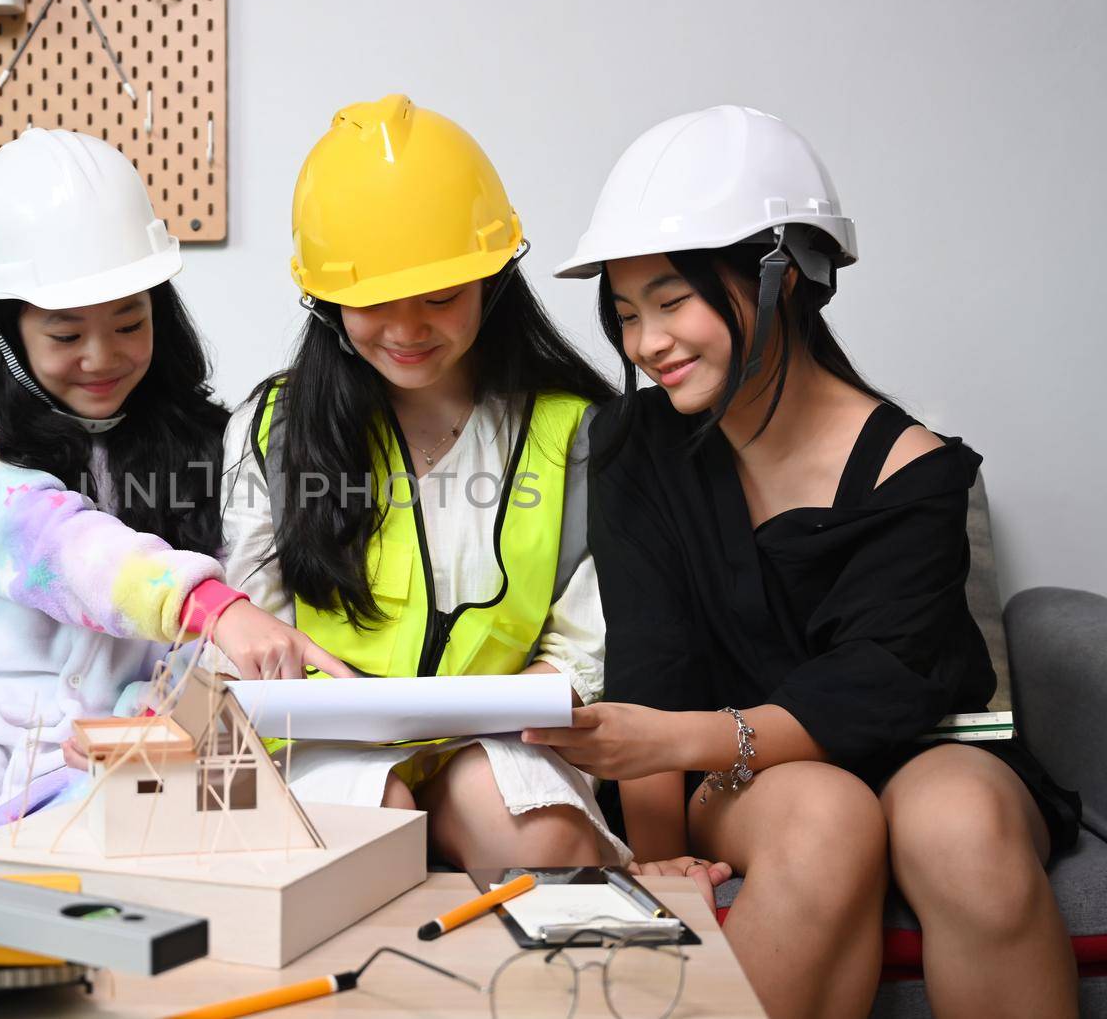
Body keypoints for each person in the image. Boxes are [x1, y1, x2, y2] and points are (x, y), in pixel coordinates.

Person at [529, 104, 1080, 1019]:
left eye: (673, 302)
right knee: (825, 812)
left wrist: (683, 737)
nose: (646, 343)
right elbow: (652, 665)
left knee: (965, 827)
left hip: (928, 747)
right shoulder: (638, 447)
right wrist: (657, 853)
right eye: (626, 315)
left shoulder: (919, 472)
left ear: (784, 277)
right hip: (749, 781)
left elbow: (883, 684)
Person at [0, 129, 347, 837]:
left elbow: (232, 625)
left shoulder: (212, 440)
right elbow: (60, 545)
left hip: (122, 741)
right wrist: (207, 602)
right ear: (3, 329)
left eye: (130, 323)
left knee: (158, 828)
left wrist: (167, 711)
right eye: (66, 336)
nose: (102, 358)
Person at [221, 95, 629, 869]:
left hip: (511, 740)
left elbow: (584, 651)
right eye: (373, 303)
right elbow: (258, 637)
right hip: (325, 745)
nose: (407, 330)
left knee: (535, 834)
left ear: (493, 279)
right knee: (367, 830)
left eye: (441, 296)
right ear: (325, 298)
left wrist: (503, 710)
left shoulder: (577, 432)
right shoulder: (270, 428)